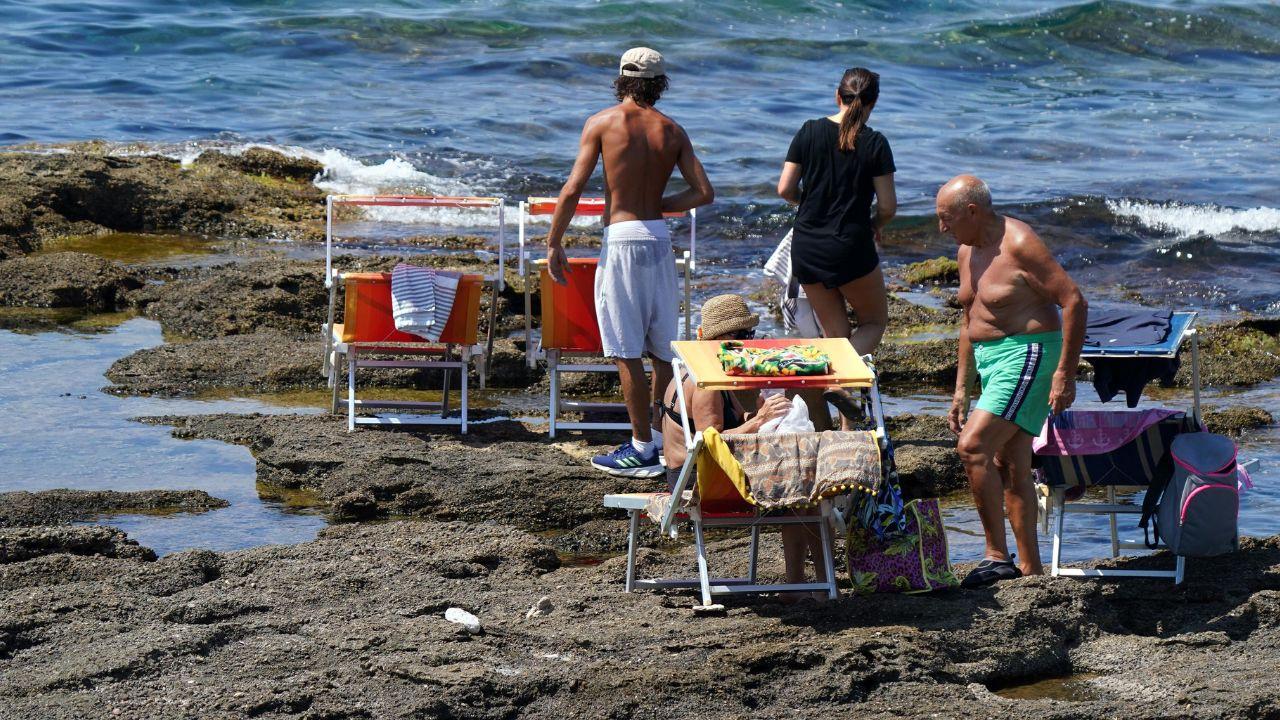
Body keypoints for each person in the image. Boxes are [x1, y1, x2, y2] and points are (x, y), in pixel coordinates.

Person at [543, 47, 715, 478]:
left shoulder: (602, 122)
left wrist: (553, 243)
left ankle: (640, 447)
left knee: (624, 350)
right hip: (658, 240)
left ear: (621, 79)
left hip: (621, 241)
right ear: (659, 84)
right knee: (660, 351)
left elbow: (571, 190)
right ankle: (659, 439)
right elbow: (703, 193)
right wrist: (658, 204)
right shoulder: (672, 131)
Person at [938, 175, 1087, 588]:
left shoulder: (1020, 243)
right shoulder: (966, 251)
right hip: (991, 361)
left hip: (1029, 354)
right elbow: (969, 320)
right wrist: (961, 389)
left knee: (972, 447)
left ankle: (994, 556)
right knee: (1011, 462)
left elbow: (1073, 299)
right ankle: (1030, 569)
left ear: (972, 211)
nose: (941, 227)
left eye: (946, 218)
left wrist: (1065, 375)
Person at [659, 294, 827, 598]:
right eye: (743, 336)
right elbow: (712, 443)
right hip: (698, 483)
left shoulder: (705, 371)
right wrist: (760, 419)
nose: (749, 342)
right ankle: (804, 584)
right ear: (719, 338)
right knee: (800, 493)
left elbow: (736, 421)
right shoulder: (704, 384)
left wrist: (761, 412)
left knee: (805, 489)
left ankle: (809, 583)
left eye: (750, 335)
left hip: (700, 475)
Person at [776, 67, 896, 427]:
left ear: (837, 95)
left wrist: (809, 203)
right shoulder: (875, 142)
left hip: (808, 246)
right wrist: (874, 225)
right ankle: (837, 381)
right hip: (851, 247)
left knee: (836, 334)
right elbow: (888, 206)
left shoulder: (810, 130)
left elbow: (785, 190)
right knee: (874, 321)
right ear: (873, 103)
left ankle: (843, 425)